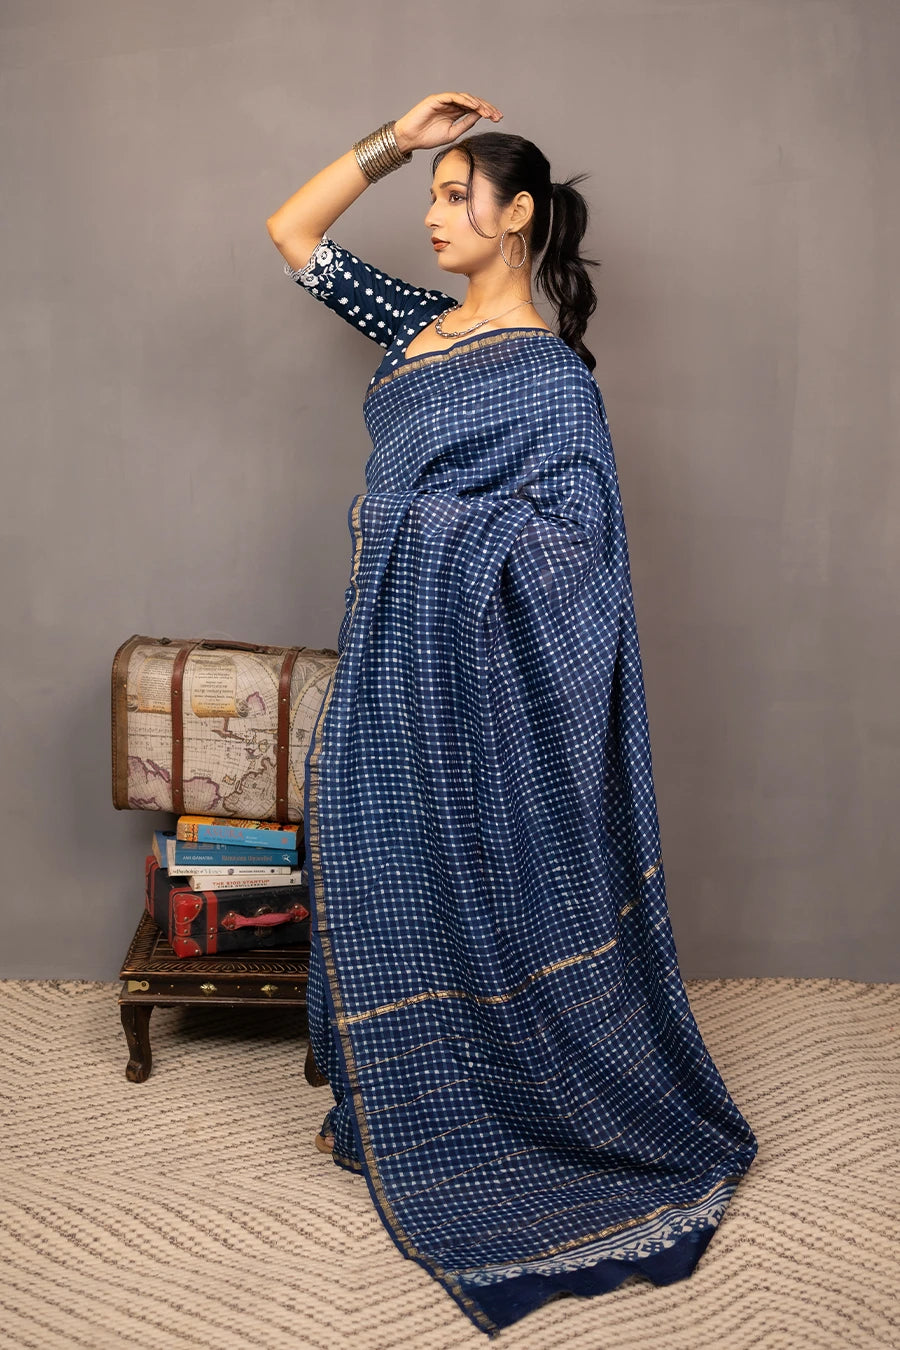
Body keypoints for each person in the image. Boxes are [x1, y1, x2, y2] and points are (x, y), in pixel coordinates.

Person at [266, 92, 758, 1339]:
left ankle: (491, 1110)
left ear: (517, 214)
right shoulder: (414, 324)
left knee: (476, 870)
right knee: (376, 858)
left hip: (474, 674)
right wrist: (398, 140)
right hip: (393, 652)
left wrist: (424, 527)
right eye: (431, 196)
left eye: (454, 195)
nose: (432, 215)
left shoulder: (553, 382)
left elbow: (575, 552)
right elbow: (291, 233)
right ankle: (391, 1095)